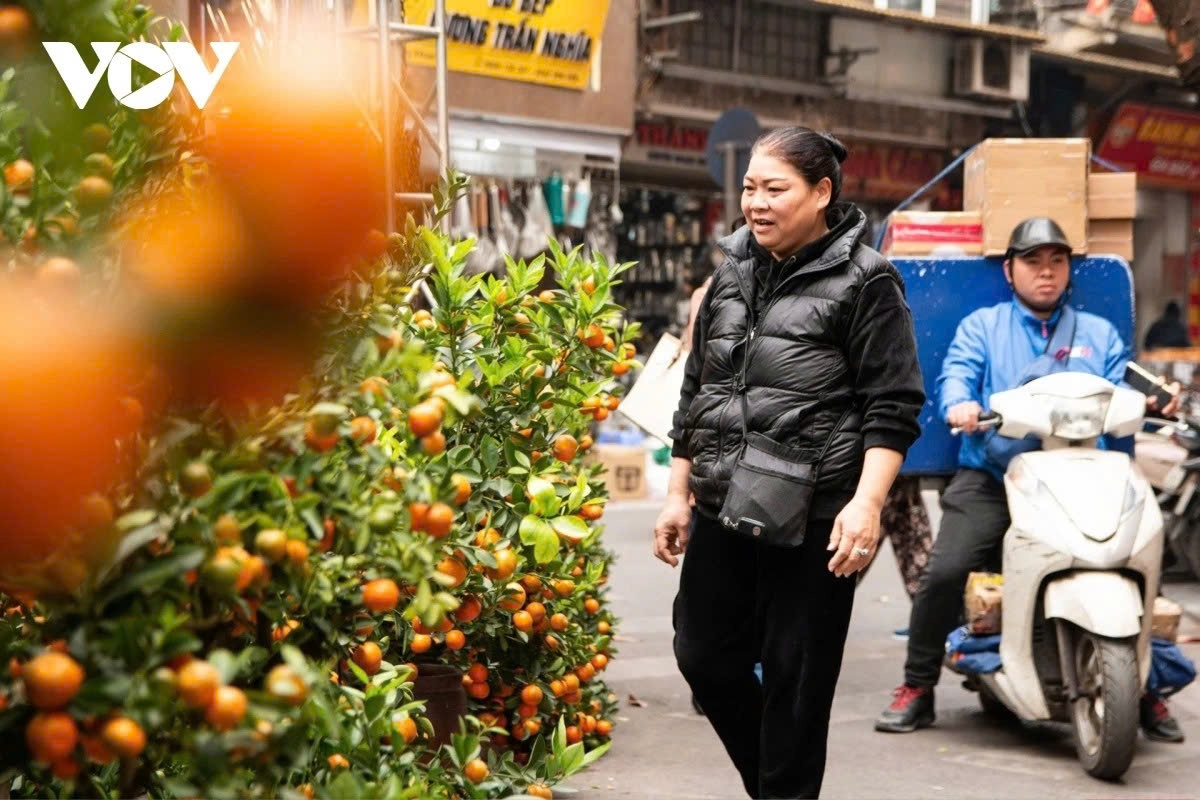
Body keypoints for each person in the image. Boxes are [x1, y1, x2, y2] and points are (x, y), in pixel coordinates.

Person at [656, 126, 925, 798]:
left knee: (795, 684)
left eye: (775, 189)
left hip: (815, 514)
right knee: (703, 655)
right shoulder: (729, 274)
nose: (756, 202)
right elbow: (696, 389)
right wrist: (677, 493)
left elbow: (892, 404)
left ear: (821, 193)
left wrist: (867, 505)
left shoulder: (868, 281)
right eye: (750, 187)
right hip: (723, 501)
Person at [875, 216, 1186, 744]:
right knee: (944, 572)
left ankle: (1143, 685)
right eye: (1033, 261)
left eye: (1056, 261)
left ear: (1068, 270)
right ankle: (917, 685)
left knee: (1139, 560)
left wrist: (1156, 401)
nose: (1046, 272)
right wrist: (960, 405)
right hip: (994, 477)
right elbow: (956, 377)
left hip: (1083, 479)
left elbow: (1126, 386)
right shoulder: (983, 326)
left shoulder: (1098, 334)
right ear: (1010, 270)